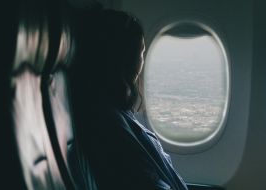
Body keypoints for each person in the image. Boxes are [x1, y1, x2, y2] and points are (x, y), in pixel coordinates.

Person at [71, 8, 188, 190]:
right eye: (141, 52)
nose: (142, 62)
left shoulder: (115, 112)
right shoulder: (107, 122)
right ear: (123, 58)